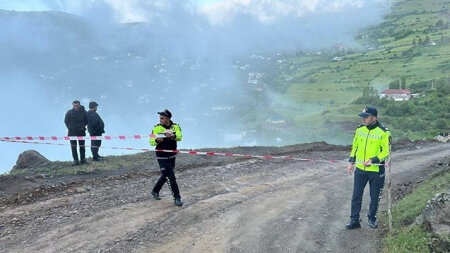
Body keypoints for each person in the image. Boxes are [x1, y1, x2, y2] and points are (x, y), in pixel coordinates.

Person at [346, 106, 391, 229]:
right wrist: (351, 162)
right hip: (360, 169)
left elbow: (386, 152)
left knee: (375, 197)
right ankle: (354, 220)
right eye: (363, 117)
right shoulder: (360, 130)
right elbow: (355, 146)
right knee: (356, 195)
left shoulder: (384, 132)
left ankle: (372, 218)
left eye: (366, 117)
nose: (364, 119)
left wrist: (373, 160)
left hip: (376, 171)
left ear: (374, 117)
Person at [149, 109, 183, 206]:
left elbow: (180, 137)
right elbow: (150, 142)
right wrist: (156, 141)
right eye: (160, 118)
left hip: (172, 155)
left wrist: (173, 136)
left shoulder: (175, 126)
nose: (160, 120)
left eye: (162, 118)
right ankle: (177, 198)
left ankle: (155, 190)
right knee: (171, 176)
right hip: (161, 156)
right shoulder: (156, 128)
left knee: (166, 175)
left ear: (168, 118)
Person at [64, 100, 88, 166]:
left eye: (77, 106)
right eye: (74, 106)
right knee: (73, 147)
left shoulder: (84, 112)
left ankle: (83, 159)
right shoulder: (69, 112)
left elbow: (86, 121)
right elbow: (66, 121)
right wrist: (70, 127)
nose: (76, 107)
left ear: (79, 105)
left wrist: (83, 127)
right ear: (73, 106)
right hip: (72, 133)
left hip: (81, 132)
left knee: (82, 146)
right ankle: (75, 160)